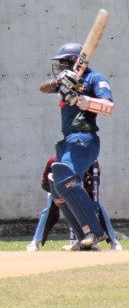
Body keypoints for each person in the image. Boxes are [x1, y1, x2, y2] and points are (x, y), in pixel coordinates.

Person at [38, 42, 114, 249]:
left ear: (74, 61)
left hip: (84, 139)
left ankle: (96, 232)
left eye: (63, 64)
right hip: (67, 141)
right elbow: (42, 88)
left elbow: (108, 107)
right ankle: (84, 240)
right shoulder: (66, 80)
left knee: (65, 178)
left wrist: (81, 100)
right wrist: (57, 81)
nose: (60, 67)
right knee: (56, 185)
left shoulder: (94, 79)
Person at [27, 156, 121, 251]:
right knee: (48, 208)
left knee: (99, 207)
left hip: (81, 191)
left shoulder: (90, 160)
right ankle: (35, 242)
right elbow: (45, 184)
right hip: (59, 191)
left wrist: (85, 189)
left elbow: (95, 183)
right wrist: (58, 191)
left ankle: (113, 241)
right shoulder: (54, 160)